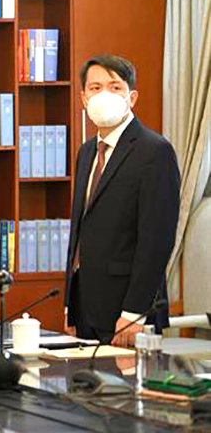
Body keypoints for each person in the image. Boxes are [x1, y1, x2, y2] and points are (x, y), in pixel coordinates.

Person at [64, 54, 180, 347]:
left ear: (132, 97)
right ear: (83, 98)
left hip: (128, 314)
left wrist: (133, 313)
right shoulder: (86, 152)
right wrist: (70, 306)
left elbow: (157, 241)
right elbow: (81, 231)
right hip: (86, 308)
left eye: (115, 87)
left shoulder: (155, 151)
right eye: (95, 88)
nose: (104, 95)